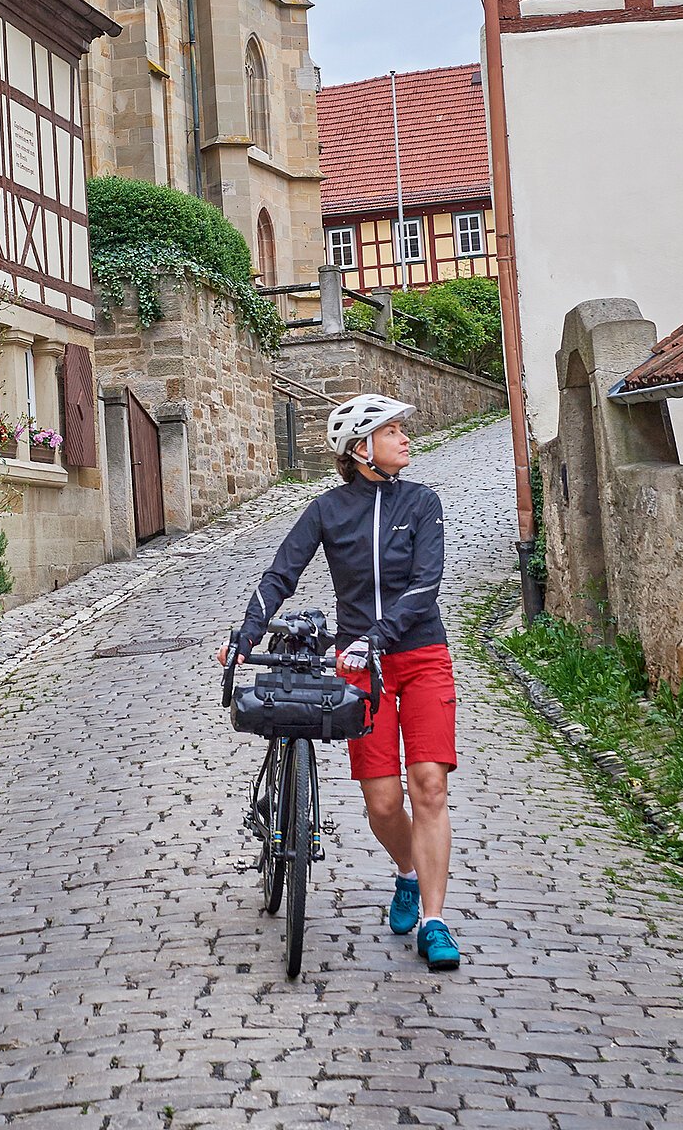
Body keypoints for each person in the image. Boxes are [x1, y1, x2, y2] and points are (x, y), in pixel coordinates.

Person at [219, 393, 460, 971]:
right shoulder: (327, 510)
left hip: (422, 653)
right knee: (382, 803)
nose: (405, 438)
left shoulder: (423, 503)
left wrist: (377, 636)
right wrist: (246, 634)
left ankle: (435, 920)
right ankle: (407, 873)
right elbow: (281, 573)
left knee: (428, 785)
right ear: (360, 448)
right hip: (361, 669)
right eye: (391, 430)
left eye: (403, 428)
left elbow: (427, 584)